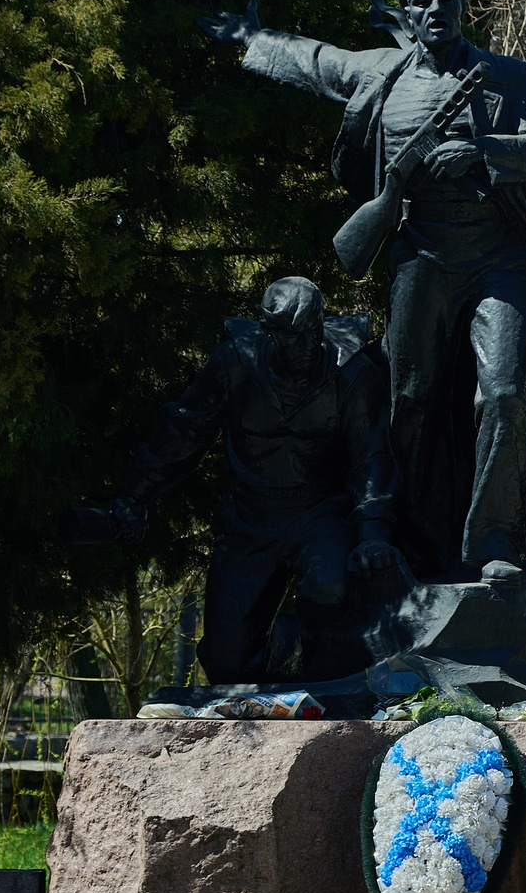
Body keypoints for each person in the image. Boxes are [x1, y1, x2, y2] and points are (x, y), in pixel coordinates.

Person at [199, 0, 526, 582]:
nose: (435, 10)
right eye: (421, 0)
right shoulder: (383, 76)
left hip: (498, 262)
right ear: (407, 10)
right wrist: (254, 38)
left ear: (463, 3)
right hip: (418, 259)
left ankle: (495, 541)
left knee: (503, 396)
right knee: (410, 403)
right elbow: (319, 62)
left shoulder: (506, 76)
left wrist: (480, 154)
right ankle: (411, 541)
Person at [93, 277, 400, 683]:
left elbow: (372, 457)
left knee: (330, 586)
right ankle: (279, 653)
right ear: (270, 333)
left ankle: (307, 648)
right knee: (226, 664)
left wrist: (372, 533)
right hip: (249, 519)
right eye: (295, 337)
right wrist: (134, 497)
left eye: (314, 331)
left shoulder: (353, 374)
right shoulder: (235, 363)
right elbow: (183, 433)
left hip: (320, 515)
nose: (309, 346)